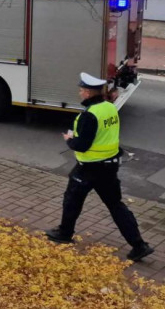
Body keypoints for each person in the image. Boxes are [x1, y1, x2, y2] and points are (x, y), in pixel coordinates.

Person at [46, 73, 154, 262]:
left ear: (88, 93)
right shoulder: (109, 107)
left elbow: (82, 145)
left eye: (81, 90)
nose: (79, 93)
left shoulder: (89, 115)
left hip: (90, 168)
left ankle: (64, 233)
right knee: (115, 205)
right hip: (110, 166)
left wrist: (70, 140)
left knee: (72, 199)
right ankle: (139, 245)